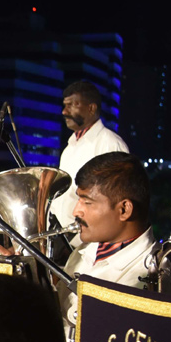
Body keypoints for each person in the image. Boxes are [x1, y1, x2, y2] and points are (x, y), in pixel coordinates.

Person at [58, 152, 167, 325]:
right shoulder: (86, 250)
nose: (76, 211)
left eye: (87, 202)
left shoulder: (154, 276)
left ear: (124, 210)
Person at [49, 80, 129, 231]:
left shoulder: (110, 144)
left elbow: (115, 204)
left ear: (91, 108)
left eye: (72, 105)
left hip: (91, 244)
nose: (64, 112)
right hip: (64, 239)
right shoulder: (69, 147)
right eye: (65, 106)